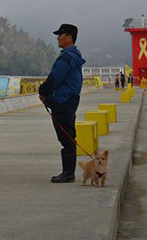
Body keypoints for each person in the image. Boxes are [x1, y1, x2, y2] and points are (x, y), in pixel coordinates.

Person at [38, 23, 86, 183]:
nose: (58, 38)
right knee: (68, 137)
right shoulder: (74, 56)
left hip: (63, 102)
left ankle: (68, 173)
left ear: (69, 37)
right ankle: (68, 171)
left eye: (61, 35)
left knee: (67, 138)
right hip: (70, 100)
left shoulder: (66, 58)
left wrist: (42, 91)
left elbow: (54, 79)